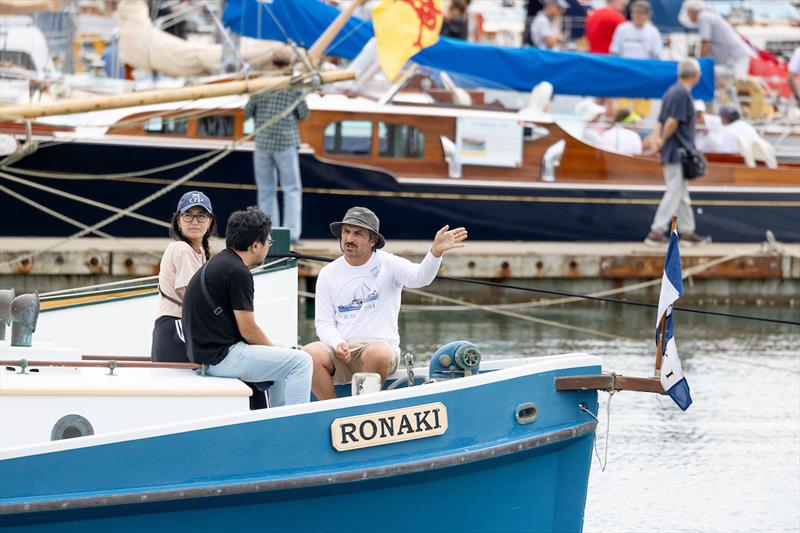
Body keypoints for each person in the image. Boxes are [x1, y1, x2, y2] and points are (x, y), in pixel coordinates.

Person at [303, 207, 467, 400]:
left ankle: (363, 408)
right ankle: (330, 410)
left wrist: (435, 252)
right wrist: (337, 343)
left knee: (377, 352)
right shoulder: (328, 273)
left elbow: (420, 278)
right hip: (342, 351)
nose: (349, 239)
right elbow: (323, 323)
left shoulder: (388, 263)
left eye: (358, 234)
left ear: (372, 240)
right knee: (308, 354)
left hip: (380, 350)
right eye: (346, 232)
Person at [182, 206, 312, 407]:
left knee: (284, 357)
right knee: (301, 362)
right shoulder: (238, 272)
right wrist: (278, 350)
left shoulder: (220, 262)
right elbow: (248, 330)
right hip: (220, 358)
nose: (269, 246)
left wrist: (280, 351)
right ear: (255, 245)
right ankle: (295, 427)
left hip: (206, 355)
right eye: (268, 241)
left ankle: (279, 421)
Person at [244, 46, 309, 246]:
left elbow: (248, 112)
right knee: (291, 189)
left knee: (266, 190)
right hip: (286, 142)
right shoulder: (294, 85)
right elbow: (303, 113)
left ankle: (267, 233)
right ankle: (291, 234)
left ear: (271, 62)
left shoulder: (260, 84)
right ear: (289, 64)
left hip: (263, 142)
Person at [643, 59, 711, 246]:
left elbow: (661, 121)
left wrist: (658, 142)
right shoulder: (682, 94)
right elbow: (672, 122)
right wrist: (662, 142)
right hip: (678, 151)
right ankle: (656, 231)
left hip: (672, 151)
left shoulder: (671, 92)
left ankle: (687, 232)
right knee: (675, 191)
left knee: (680, 192)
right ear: (696, 76)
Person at [151, 191, 216, 363]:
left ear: (210, 222)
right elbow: (188, 294)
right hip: (176, 329)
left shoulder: (201, 252)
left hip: (175, 330)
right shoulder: (181, 248)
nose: (195, 221)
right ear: (178, 221)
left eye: (201, 216)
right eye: (188, 215)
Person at [679, 0, 753, 104]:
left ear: (692, 11)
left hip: (736, 58)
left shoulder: (703, 17)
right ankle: (731, 106)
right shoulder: (709, 16)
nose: (688, 16)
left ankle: (742, 109)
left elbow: (705, 43)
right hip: (733, 58)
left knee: (738, 85)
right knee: (730, 86)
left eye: (688, 12)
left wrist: (700, 65)